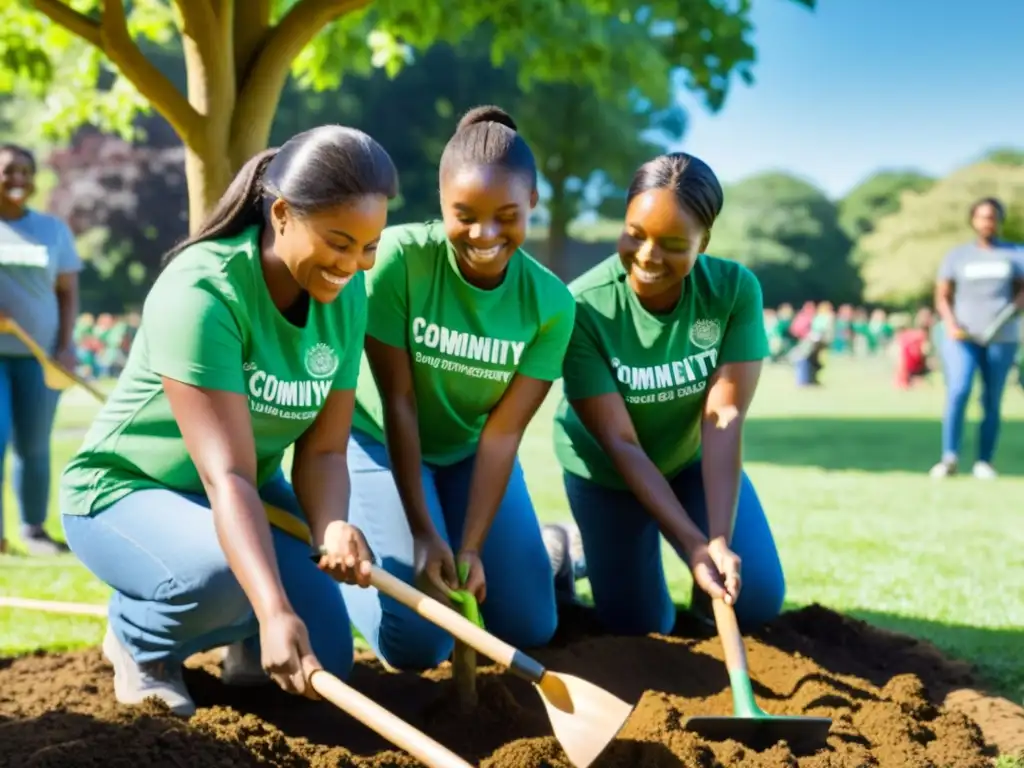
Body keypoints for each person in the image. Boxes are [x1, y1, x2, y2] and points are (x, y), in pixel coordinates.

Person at [59, 125, 398, 716]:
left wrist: (332, 526)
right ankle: (139, 636)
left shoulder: (346, 293)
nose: (353, 265)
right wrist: (271, 609)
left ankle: (241, 637)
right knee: (228, 583)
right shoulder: (203, 290)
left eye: (369, 247)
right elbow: (228, 475)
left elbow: (323, 453)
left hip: (248, 497)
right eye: (340, 243)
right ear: (284, 214)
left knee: (325, 658)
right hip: (128, 489)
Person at [340, 105, 576, 670]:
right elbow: (398, 401)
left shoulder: (551, 305)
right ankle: (334, 564)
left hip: (471, 452)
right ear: (441, 202)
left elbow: (502, 435)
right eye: (463, 214)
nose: (485, 233)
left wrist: (469, 546)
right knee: (419, 645)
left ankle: (544, 549)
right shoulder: (399, 260)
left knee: (529, 626)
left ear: (534, 204)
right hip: (380, 444)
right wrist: (425, 533)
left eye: (507, 215)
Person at [549, 151, 785, 635]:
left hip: (688, 463)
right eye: (635, 234)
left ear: (705, 241)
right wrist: (690, 542)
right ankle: (565, 552)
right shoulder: (583, 307)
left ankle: (706, 598)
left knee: (756, 598)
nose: (648, 257)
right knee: (641, 624)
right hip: (609, 475)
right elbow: (621, 443)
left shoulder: (733, 291)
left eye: (673, 243)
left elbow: (724, 414)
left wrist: (716, 540)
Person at [0, 143, 82, 556]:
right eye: (8, 170)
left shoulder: (52, 230)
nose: (18, 179)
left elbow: (67, 292)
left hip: (40, 357)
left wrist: (66, 347)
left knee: (34, 444)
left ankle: (33, 529)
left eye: (25, 171)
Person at [931, 197, 1024, 479]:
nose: (987, 222)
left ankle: (984, 461)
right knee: (958, 390)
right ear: (973, 220)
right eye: (982, 217)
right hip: (963, 336)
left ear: (999, 220)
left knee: (992, 399)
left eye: (992, 217)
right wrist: (951, 324)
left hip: (1001, 337)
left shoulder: (1015, 254)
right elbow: (943, 296)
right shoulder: (957, 256)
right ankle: (949, 457)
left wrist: (1009, 314)